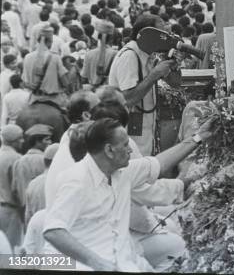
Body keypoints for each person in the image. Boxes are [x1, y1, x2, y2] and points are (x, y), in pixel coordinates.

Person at [43, 116, 214, 271]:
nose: (130, 150)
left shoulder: (122, 171)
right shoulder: (77, 180)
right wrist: (96, 262)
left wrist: (198, 137)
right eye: (125, 145)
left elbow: (159, 164)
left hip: (122, 259)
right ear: (109, 151)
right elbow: (53, 231)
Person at [108, 14, 174, 156]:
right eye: (161, 35)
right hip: (130, 133)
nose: (165, 39)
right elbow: (128, 99)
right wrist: (154, 75)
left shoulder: (147, 54)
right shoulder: (130, 55)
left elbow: (175, 83)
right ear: (147, 35)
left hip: (144, 131)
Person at [11, 124, 54, 211]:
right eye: (47, 139)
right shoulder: (46, 160)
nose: (50, 142)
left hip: (23, 210)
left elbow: (14, 190)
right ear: (37, 141)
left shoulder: (18, 162)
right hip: (43, 208)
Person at [0, 125, 25, 249]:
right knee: (11, 250)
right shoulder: (16, 159)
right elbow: (18, 190)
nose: (23, 141)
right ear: (12, 141)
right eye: (20, 138)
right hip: (11, 210)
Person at [24, 143, 59, 226]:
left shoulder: (33, 183)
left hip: (37, 228)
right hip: (54, 231)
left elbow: (28, 216)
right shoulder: (61, 181)